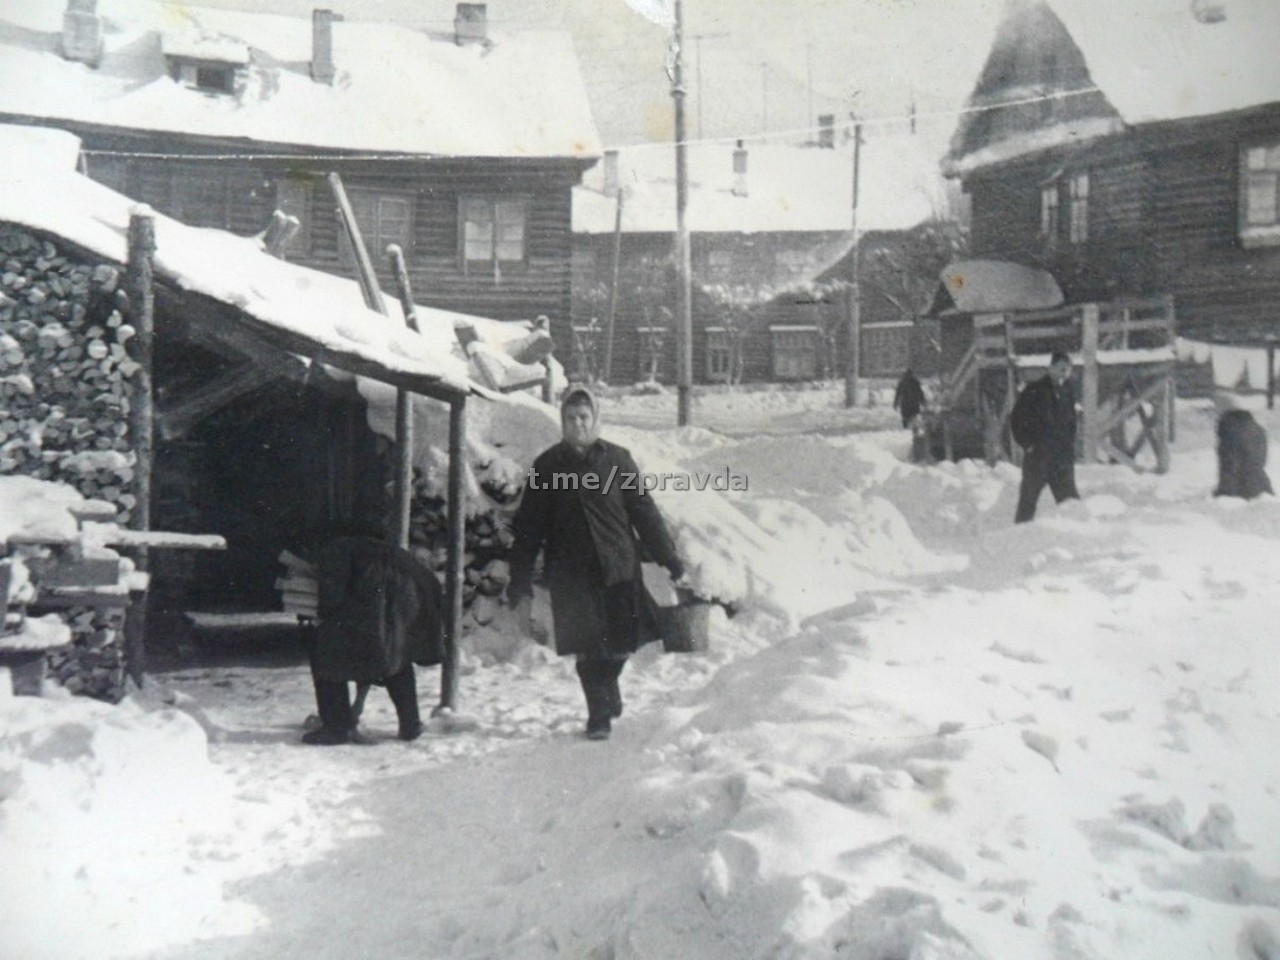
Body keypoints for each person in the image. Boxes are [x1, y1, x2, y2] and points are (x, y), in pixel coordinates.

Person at [507, 386, 684, 740]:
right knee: (587, 648)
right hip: (571, 573)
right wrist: (520, 580)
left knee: (621, 643)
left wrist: (669, 558)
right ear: (562, 421)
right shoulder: (547, 466)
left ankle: (608, 689)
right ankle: (598, 714)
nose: (578, 424)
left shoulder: (618, 460)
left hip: (618, 566)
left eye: (584, 417)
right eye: (571, 419)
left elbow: (645, 513)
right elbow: (528, 530)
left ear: (596, 419)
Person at [302, 535, 445, 745]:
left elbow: (331, 596)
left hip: (387, 595)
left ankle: (336, 728)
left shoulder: (334, 547)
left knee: (325, 652)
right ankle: (410, 724)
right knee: (394, 656)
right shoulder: (367, 545)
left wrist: (320, 615)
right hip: (413, 593)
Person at [1010, 350, 1080, 523]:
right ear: (1050, 368)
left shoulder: (1067, 392)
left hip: (1061, 461)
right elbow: (1016, 419)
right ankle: (1017, 540)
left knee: (1071, 503)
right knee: (1028, 502)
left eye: (1068, 369)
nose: (1065, 373)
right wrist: (1028, 445)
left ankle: (1076, 540)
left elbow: (1071, 424)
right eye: (1061, 368)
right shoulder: (1034, 390)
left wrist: (1070, 449)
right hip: (1038, 459)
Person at [1214, 408, 1274, 500]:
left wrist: (1224, 492)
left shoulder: (1230, 433)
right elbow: (1261, 459)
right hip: (1259, 483)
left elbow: (1229, 464)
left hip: (1239, 487)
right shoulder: (1257, 429)